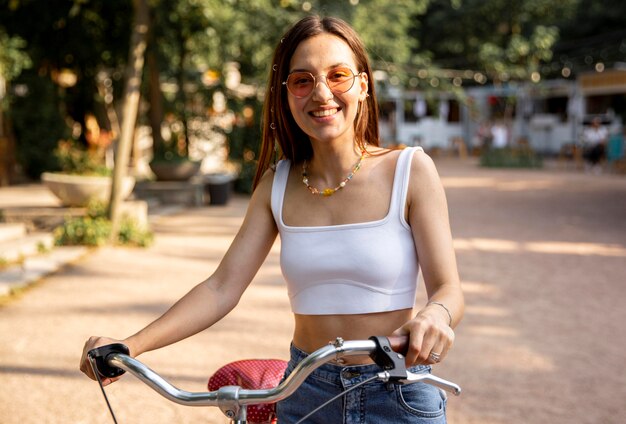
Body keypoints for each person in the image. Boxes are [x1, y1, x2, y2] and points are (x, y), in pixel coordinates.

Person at [80, 15, 464, 423]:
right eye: (302, 80)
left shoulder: (411, 171)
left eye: (338, 75)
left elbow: (448, 289)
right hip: (305, 391)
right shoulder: (276, 184)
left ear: (363, 85)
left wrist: (435, 315)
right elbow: (221, 287)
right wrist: (131, 346)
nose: (321, 93)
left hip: (397, 392)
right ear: (286, 95)